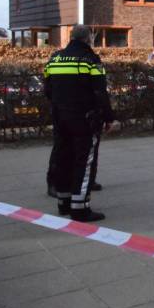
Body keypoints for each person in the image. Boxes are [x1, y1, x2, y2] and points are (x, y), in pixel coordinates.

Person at [43, 25, 114, 222]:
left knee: (64, 157)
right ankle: (80, 208)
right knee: (84, 161)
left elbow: (47, 90)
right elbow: (100, 92)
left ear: (71, 38)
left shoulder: (55, 58)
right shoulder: (90, 60)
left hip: (60, 116)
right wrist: (108, 117)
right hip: (84, 118)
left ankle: (63, 203)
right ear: (88, 39)